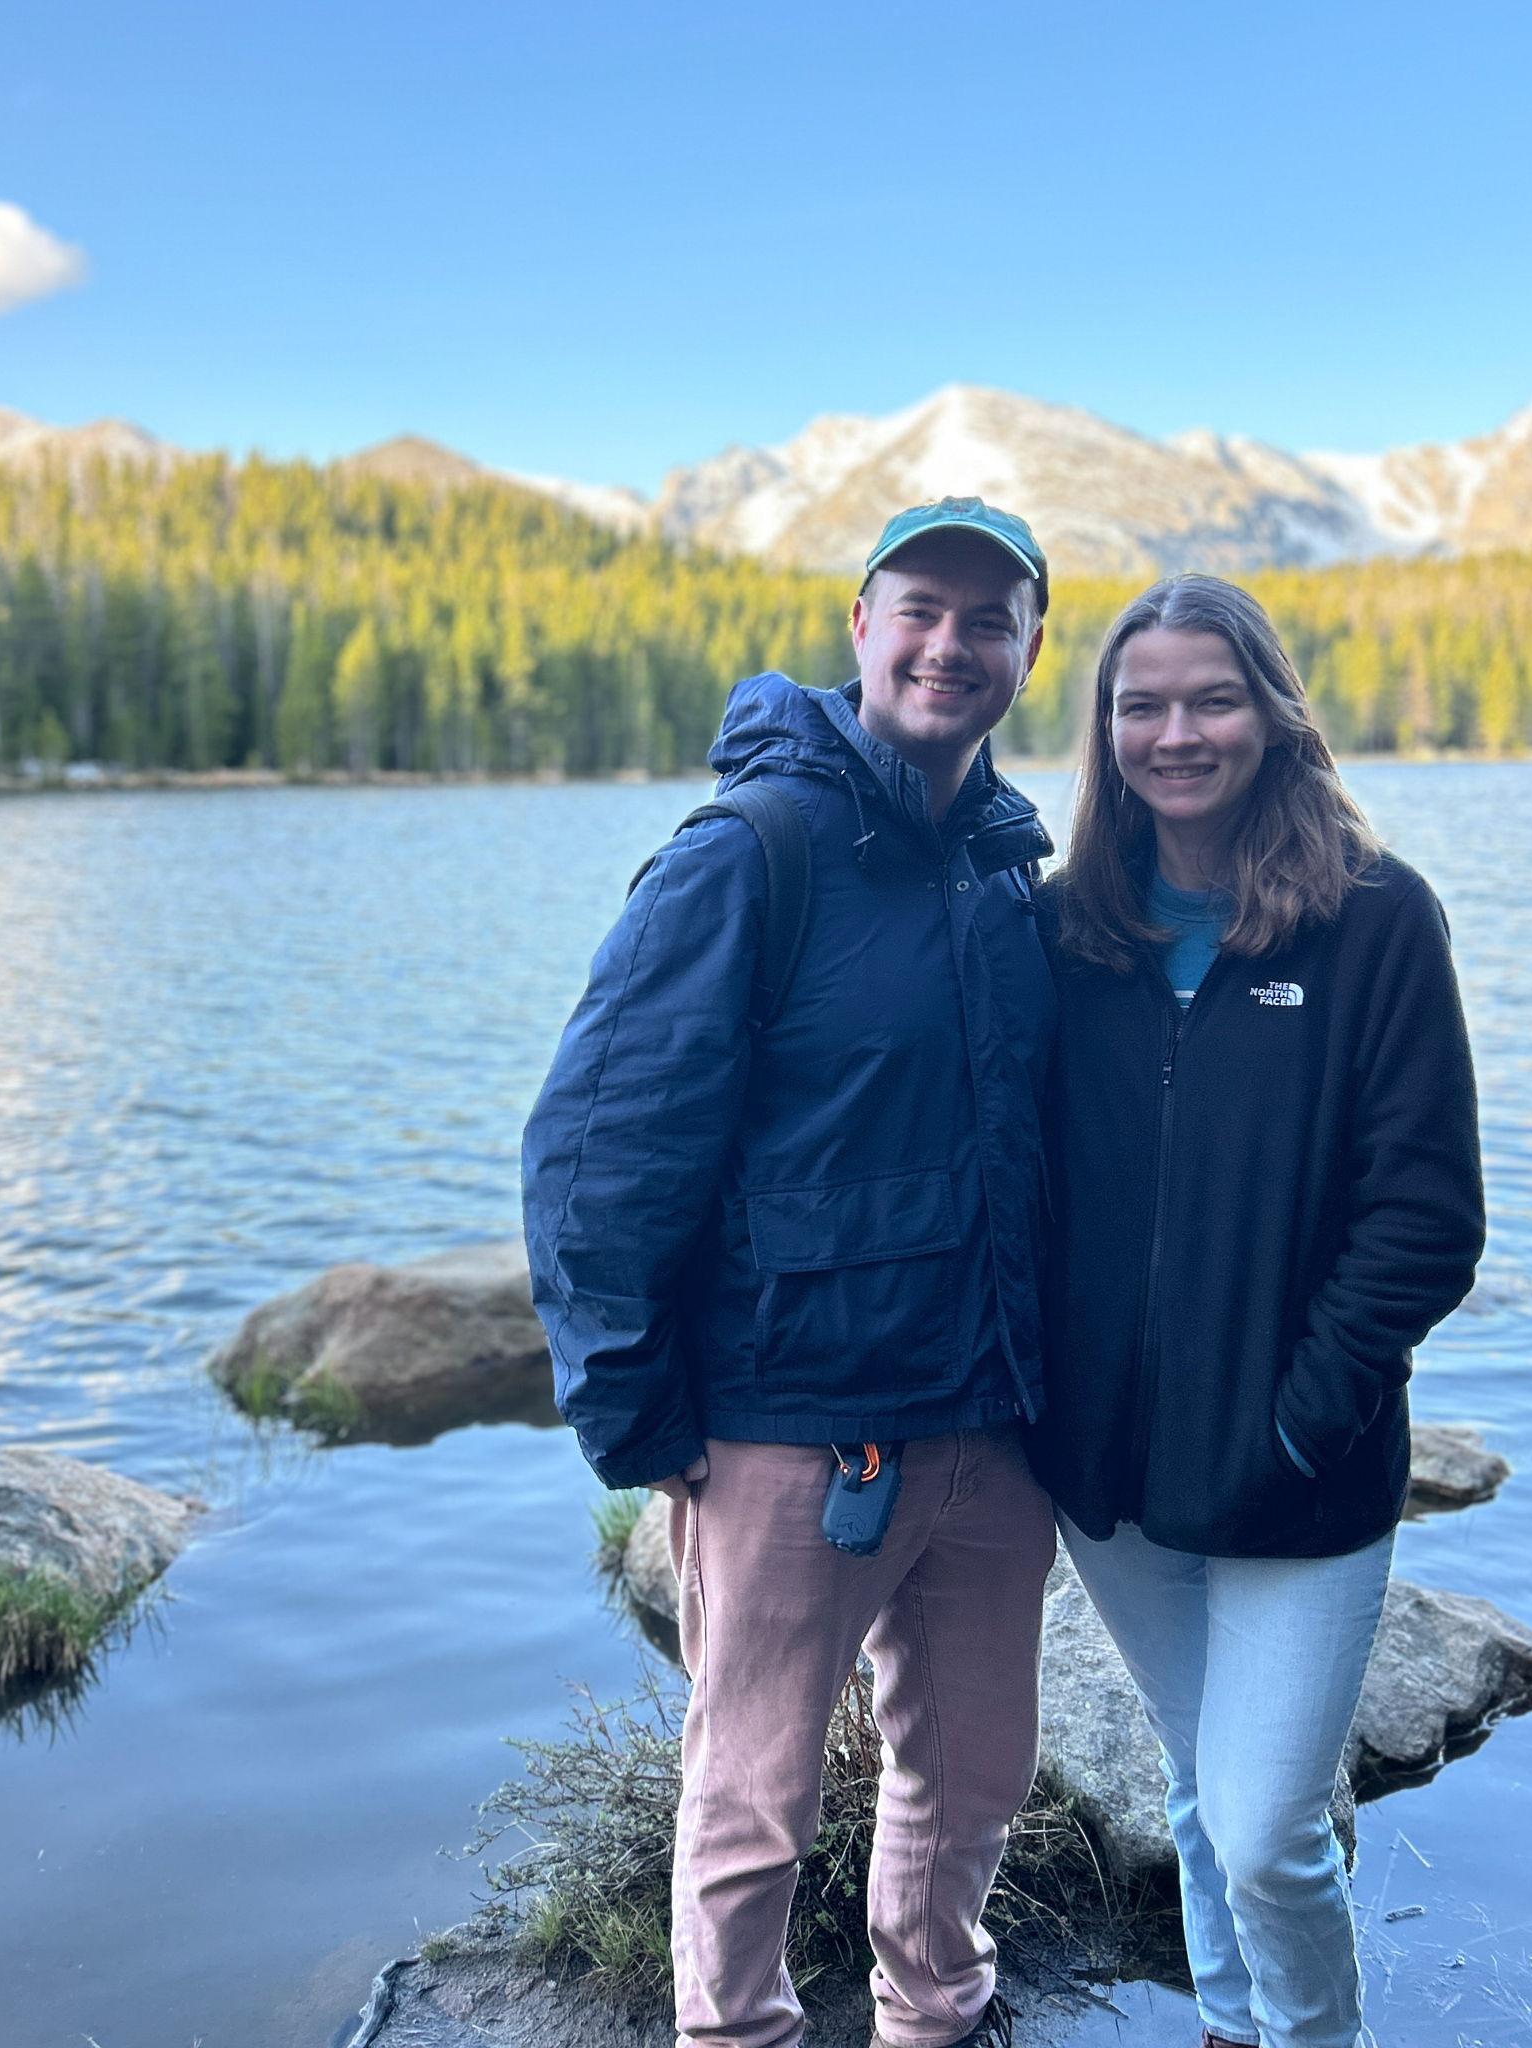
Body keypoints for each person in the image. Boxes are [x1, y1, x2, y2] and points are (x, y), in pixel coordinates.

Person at [522, 498, 1061, 2048]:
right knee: (753, 1799)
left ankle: (934, 2011)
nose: (950, 644)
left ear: (1029, 650)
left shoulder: (1005, 870)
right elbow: (596, 1148)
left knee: (973, 1775)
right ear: (861, 627)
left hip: (988, 1424)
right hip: (791, 1434)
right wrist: (635, 1412)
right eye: (921, 609)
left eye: (989, 619)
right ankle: (734, 2031)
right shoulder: (752, 851)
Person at [1030, 574, 1485, 2048]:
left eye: (1213, 699)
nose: (1178, 734)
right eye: (1142, 705)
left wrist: (1299, 1422)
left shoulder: (1375, 920)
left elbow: (1426, 1221)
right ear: (1106, 731)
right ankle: (1232, 2025)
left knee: (1269, 1826)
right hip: (1113, 1484)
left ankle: (1309, 2035)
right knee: (1193, 1776)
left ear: (1274, 715)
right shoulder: (1066, 929)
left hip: (1302, 1477)